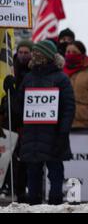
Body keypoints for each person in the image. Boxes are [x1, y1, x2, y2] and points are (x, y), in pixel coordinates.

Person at [16, 40, 75, 205]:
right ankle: (34, 205)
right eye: (34, 53)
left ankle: (55, 205)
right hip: (32, 136)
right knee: (33, 174)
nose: (35, 56)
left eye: (38, 53)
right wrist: (13, 94)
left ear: (48, 56)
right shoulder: (28, 78)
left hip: (53, 135)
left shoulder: (61, 79)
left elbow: (68, 108)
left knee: (55, 173)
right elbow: (19, 107)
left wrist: (63, 132)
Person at [0, 40, 34, 202]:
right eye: (20, 52)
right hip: (11, 121)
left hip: (28, 121)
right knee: (10, 158)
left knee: (25, 159)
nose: (22, 55)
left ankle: (22, 189)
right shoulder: (10, 69)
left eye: (26, 52)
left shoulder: (34, 71)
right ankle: (11, 187)